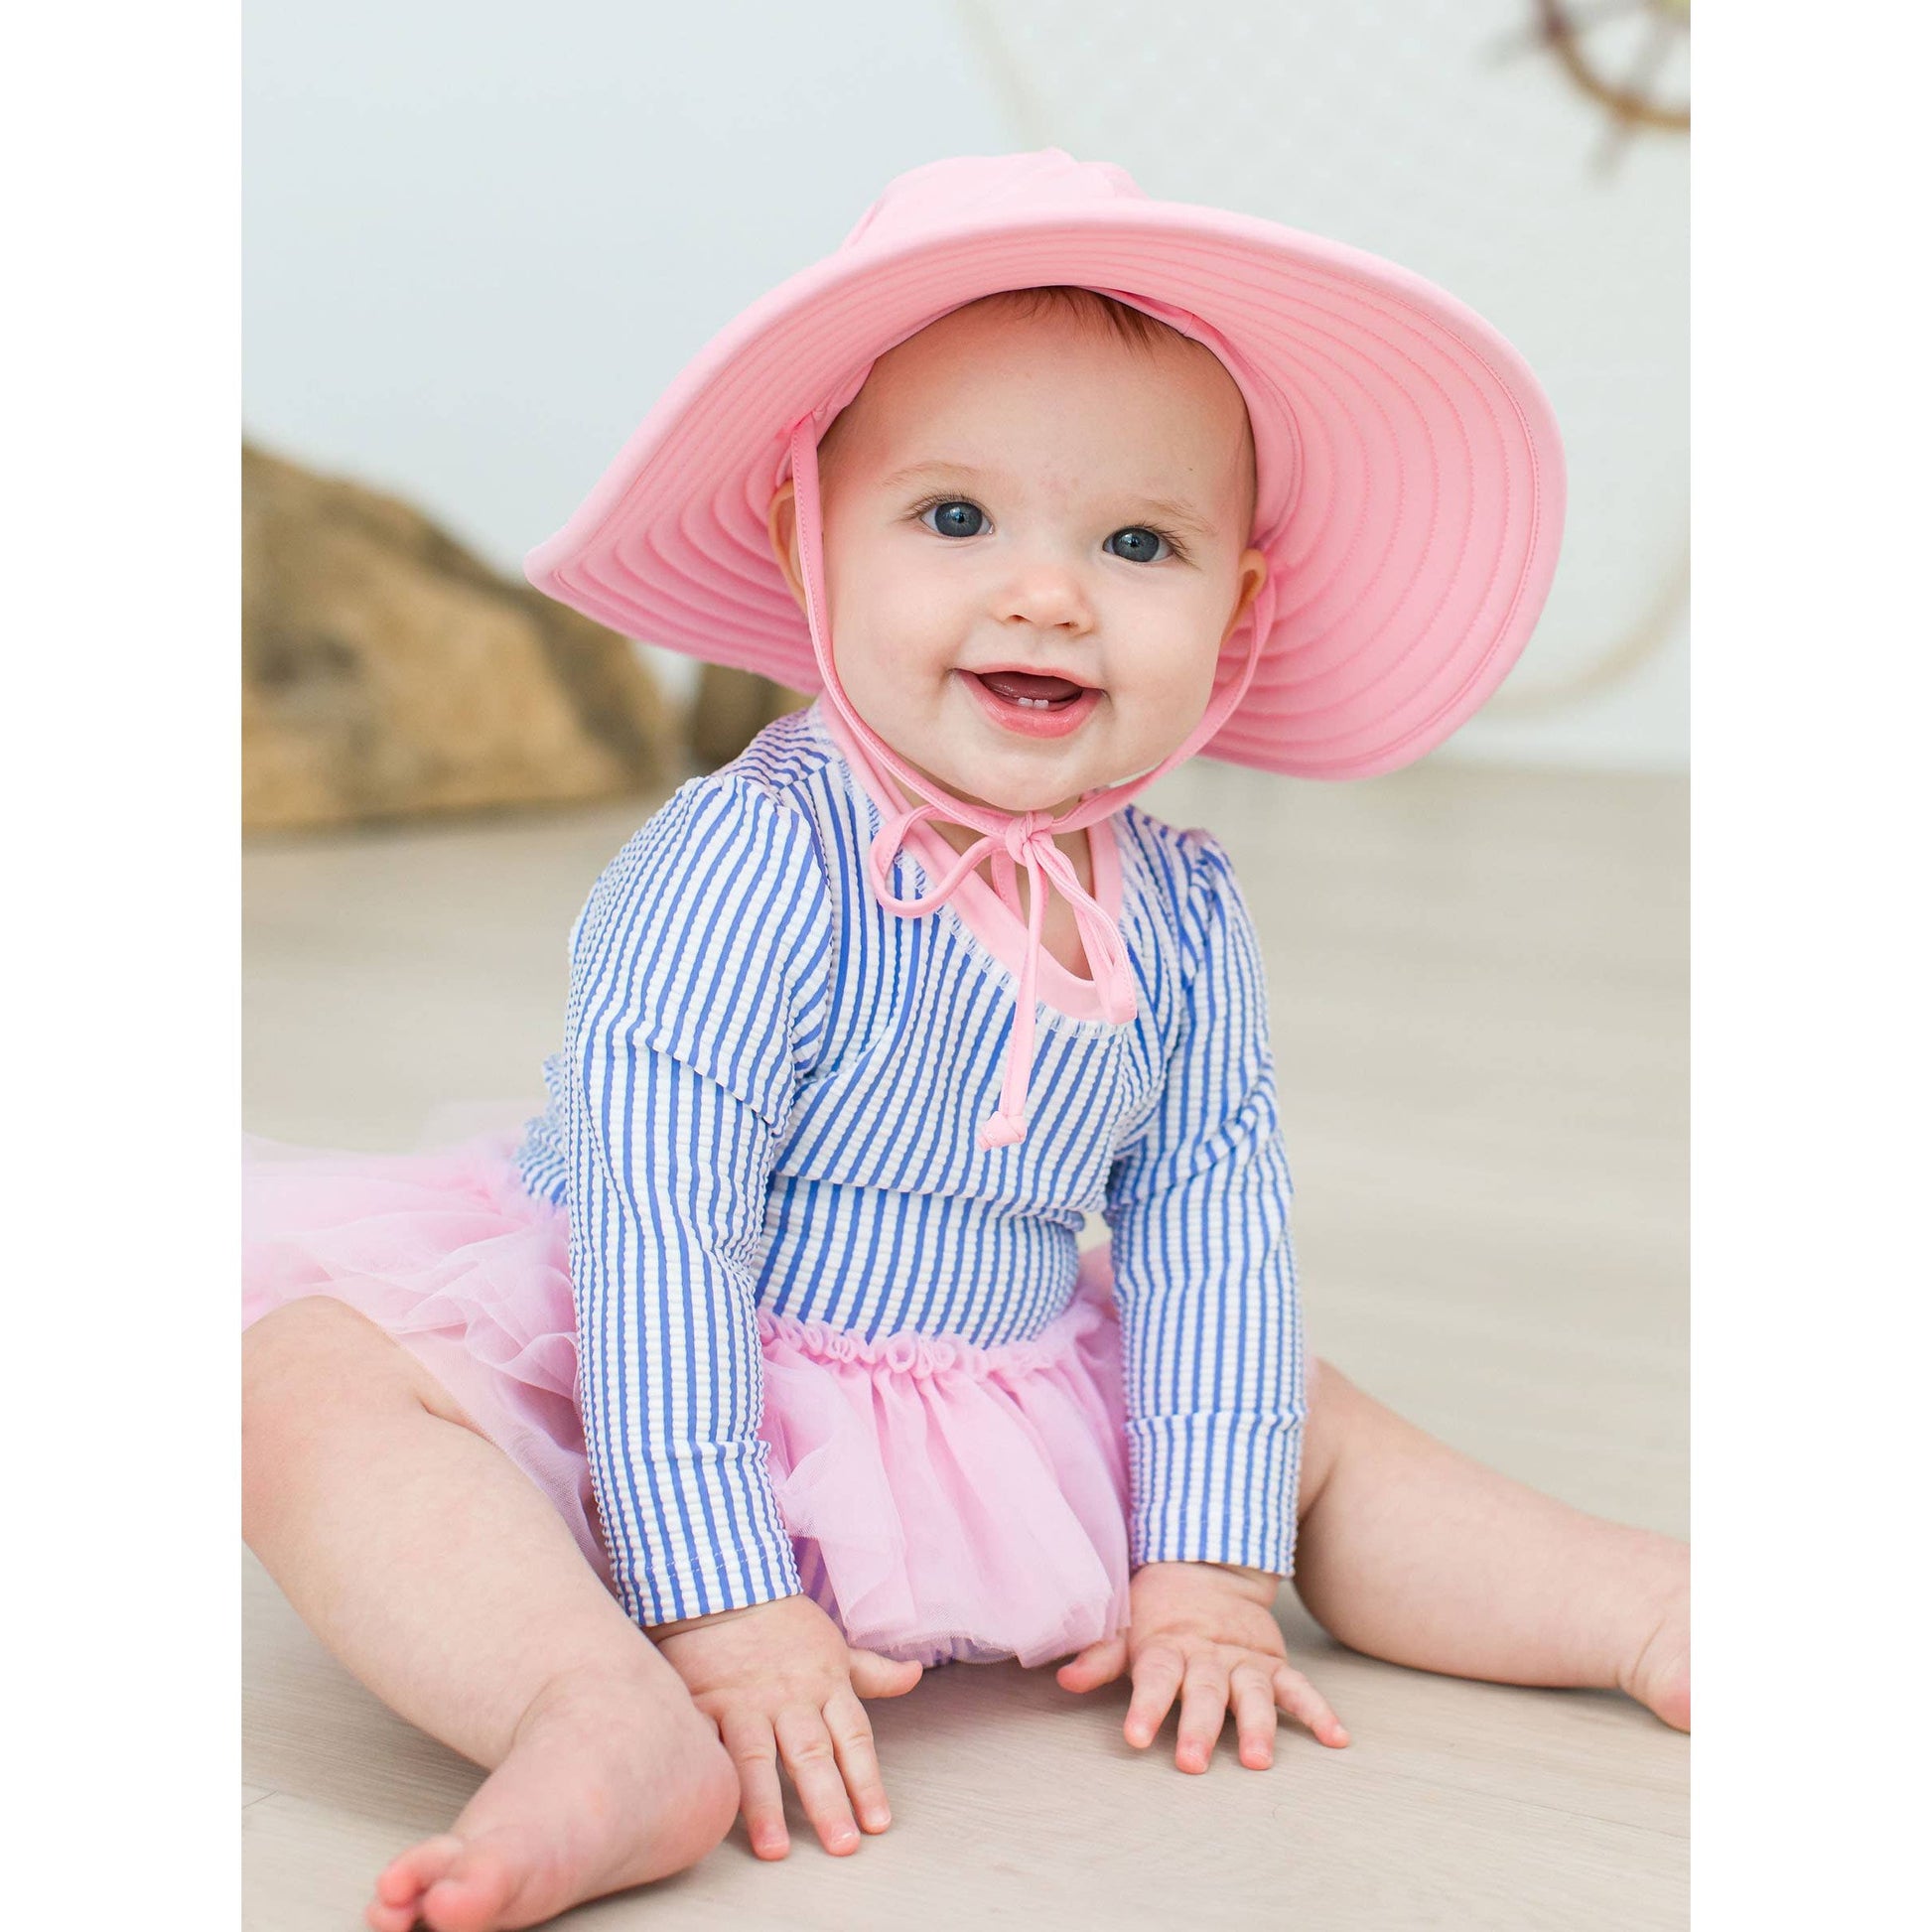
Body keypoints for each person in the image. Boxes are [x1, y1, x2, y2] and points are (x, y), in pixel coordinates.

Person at [242, 151, 1689, 1932]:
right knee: (304, 1382)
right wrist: (720, 1597)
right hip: (651, 1389)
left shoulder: (1182, 912)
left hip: (984, 1380)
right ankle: (593, 1707)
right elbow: (660, 1231)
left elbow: (1211, 1229)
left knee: (1289, 1408)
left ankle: (1643, 1605)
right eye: (952, 518)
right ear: (807, 539)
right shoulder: (746, 861)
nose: (1049, 594)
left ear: (1237, 610)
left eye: (1138, 545)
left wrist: (1210, 1566)